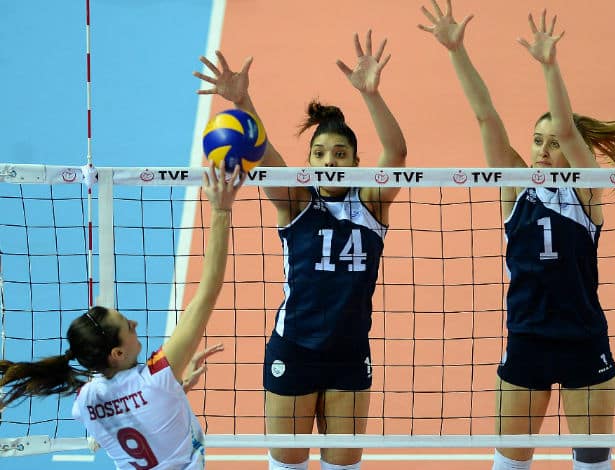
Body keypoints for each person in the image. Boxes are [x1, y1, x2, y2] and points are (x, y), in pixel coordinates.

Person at [418, 2, 615, 469]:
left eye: (554, 144)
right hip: (528, 337)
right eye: (537, 141)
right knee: (510, 461)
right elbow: (486, 117)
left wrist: (550, 66)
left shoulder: (586, 192)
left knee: (594, 461)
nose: (543, 151)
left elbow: (570, 132)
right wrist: (456, 51)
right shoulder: (514, 185)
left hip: (583, 338)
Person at [194, 30, 407, 470]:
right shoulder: (294, 200)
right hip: (294, 349)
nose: (330, 161)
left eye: (341, 154)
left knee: (343, 465)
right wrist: (242, 101)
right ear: (309, 162)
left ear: (356, 162)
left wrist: (371, 94)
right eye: (320, 153)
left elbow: (397, 152)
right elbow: (262, 151)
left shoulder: (372, 203)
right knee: (288, 464)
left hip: (350, 354)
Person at [0, 160, 243, 469]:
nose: (135, 323)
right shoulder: (156, 379)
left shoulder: (86, 402)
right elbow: (206, 295)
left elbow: (133, 417)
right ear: (116, 353)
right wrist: (221, 210)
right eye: (127, 326)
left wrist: (175, 390)